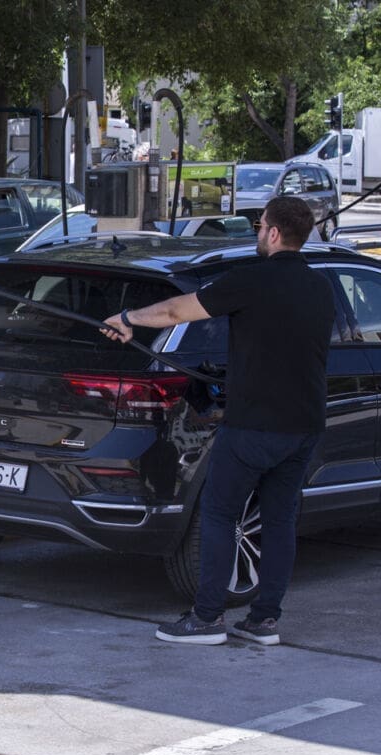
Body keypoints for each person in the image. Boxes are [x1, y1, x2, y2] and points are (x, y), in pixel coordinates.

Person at [101, 196, 335, 646]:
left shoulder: (251, 280)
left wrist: (128, 318)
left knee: (220, 513)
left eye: (260, 224)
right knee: (280, 520)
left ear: (272, 232)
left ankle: (207, 618)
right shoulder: (321, 287)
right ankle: (264, 620)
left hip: (253, 426)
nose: (256, 231)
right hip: (304, 425)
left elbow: (175, 312)